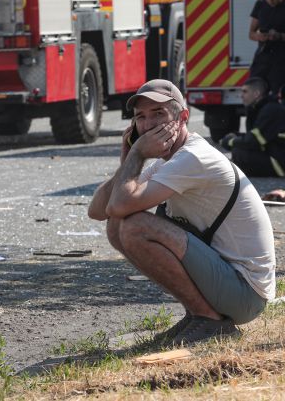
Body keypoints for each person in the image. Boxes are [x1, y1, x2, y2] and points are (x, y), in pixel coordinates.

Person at [88, 80, 275, 346]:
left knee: (135, 226)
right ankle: (198, 315)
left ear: (183, 117)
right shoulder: (173, 160)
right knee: (117, 225)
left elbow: (119, 205)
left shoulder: (193, 158)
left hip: (246, 294)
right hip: (227, 282)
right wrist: (129, 158)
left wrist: (138, 155)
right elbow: (99, 211)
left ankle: (210, 320)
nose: (149, 124)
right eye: (141, 117)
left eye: (159, 114)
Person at [219, 77, 285, 177]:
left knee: (239, 153)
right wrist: (237, 135)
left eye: (245, 92)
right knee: (240, 150)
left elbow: (253, 141)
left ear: (256, 94)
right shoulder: (262, 108)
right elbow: (255, 135)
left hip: (282, 164)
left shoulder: (270, 111)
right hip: (277, 156)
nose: (241, 95)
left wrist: (231, 141)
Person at [249, 0, 285, 97]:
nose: (271, 1)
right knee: (253, 92)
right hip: (262, 57)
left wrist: (280, 36)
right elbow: (251, 34)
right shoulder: (260, 5)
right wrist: (260, 36)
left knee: (278, 94)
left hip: (282, 58)